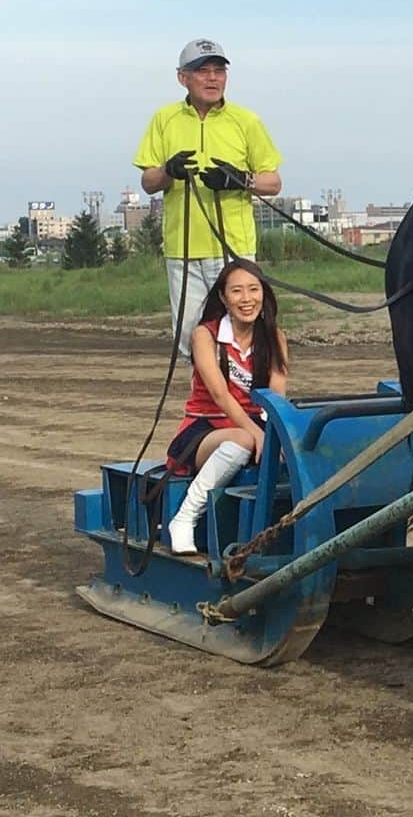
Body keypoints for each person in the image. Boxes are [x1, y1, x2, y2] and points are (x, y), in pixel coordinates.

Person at [133, 38, 283, 358]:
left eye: (219, 71)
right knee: (191, 339)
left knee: (241, 336)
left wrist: (241, 180)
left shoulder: (246, 121)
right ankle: (205, 404)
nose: (213, 78)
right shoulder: (164, 119)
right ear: (182, 78)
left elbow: (273, 182)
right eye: (203, 71)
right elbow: (147, 181)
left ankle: (243, 403)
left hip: (234, 249)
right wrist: (168, 171)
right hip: (182, 249)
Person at [166, 260, 288, 555]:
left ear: (264, 293)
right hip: (205, 428)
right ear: (223, 297)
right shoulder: (205, 336)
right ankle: (184, 518)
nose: (247, 299)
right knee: (245, 440)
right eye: (237, 291)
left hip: (252, 424)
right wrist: (258, 437)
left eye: (253, 290)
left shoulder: (275, 338)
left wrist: (278, 437)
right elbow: (220, 395)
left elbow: (277, 397)